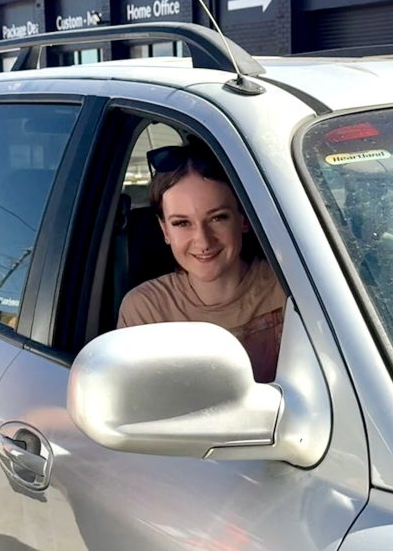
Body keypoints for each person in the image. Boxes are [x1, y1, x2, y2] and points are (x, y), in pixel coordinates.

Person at [117, 141, 286, 382]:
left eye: (218, 218)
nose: (203, 241)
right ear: (165, 230)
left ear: (244, 219)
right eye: (182, 223)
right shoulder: (145, 311)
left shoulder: (288, 290)